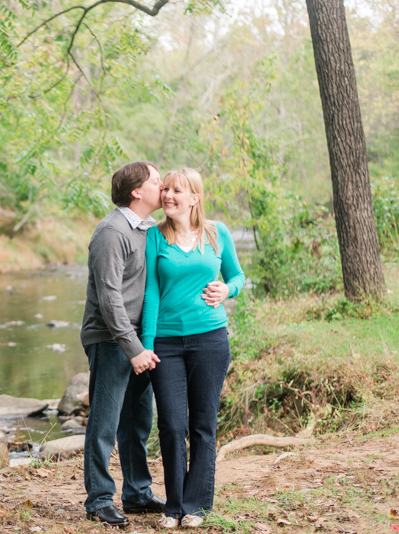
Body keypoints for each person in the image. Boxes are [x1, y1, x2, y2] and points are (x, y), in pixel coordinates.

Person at [141, 167, 245, 529]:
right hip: (166, 344)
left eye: (176, 191)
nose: (167, 196)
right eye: (165, 189)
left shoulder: (218, 233)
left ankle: (196, 506)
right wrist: (147, 346)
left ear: (195, 198)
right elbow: (151, 294)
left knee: (203, 423)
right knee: (171, 424)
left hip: (210, 340)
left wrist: (227, 290)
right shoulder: (155, 238)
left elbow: (237, 276)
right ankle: (173, 505)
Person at [80, 161, 167, 527]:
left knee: (137, 421)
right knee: (105, 421)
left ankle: (137, 494)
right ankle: (100, 500)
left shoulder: (146, 230)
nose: (163, 186)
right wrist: (132, 349)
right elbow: (109, 298)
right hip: (111, 339)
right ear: (137, 191)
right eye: (157, 181)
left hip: (137, 341)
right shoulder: (112, 232)